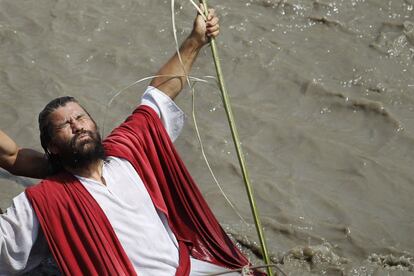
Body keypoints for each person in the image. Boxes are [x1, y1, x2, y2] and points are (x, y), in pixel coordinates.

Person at [0, 8, 264, 276]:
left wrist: (196, 39)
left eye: (80, 117)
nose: (77, 125)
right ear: (53, 146)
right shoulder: (47, 199)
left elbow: (160, 93)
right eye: (65, 125)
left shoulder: (128, 151)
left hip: (190, 268)